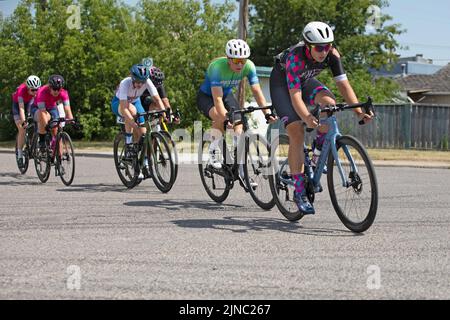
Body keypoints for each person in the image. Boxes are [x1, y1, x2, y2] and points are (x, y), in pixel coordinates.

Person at [270, 21, 373, 215]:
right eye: (319, 47)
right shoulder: (295, 58)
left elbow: (343, 85)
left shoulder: (332, 55)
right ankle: (299, 193)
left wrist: (359, 111)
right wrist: (308, 118)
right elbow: (295, 97)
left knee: (329, 104)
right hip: (282, 86)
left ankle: (318, 152)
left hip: (305, 81)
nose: (324, 51)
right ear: (308, 45)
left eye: (327, 46)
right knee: (297, 130)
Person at [197, 39, 277, 186]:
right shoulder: (216, 68)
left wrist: (266, 112)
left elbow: (257, 91)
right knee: (219, 117)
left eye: (243, 61)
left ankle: (241, 170)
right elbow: (218, 99)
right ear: (228, 59)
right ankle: (213, 152)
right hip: (207, 97)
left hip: (226, 95)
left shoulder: (249, 66)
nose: (240, 64)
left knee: (239, 126)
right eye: (236, 60)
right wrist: (226, 119)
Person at [111, 64, 165, 162]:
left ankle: (144, 162)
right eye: (137, 82)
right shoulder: (125, 83)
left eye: (142, 82)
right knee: (131, 111)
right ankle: (128, 143)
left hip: (136, 102)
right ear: (132, 78)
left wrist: (164, 113)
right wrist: (135, 126)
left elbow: (157, 99)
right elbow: (124, 108)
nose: (140, 85)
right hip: (119, 103)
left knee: (143, 133)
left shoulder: (147, 81)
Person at [31, 75, 74, 150]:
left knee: (56, 129)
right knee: (45, 118)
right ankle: (42, 140)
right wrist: (47, 126)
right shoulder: (41, 92)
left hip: (51, 107)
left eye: (58, 89)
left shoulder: (64, 93)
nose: (56, 91)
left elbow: (67, 109)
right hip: (37, 108)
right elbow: (43, 112)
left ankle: (58, 158)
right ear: (50, 87)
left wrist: (72, 121)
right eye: (54, 89)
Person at [12, 75, 41, 167]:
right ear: (28, 88)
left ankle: (35, 145)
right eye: (33, 90)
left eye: (37, 89)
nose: (35, 92)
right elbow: (21, 108)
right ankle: (20, 154)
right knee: (22, 129)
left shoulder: (37, 91)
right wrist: (24, 121)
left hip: (29, 102)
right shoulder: (21, 90)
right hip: (17, 105)